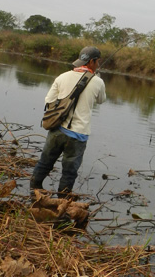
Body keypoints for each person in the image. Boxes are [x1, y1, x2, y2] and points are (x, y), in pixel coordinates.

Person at [30, 46, 106, 197]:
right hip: (78, 135)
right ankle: (62, 201)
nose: (97, 64)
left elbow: (49, 101)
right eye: (97, 62)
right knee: (69, 171)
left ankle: (34, 191)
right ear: (92, 61)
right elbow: (101, 100)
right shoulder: (98, 82)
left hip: (57, 129)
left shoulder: (62, 76)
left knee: (45, 163)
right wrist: (96, 77)